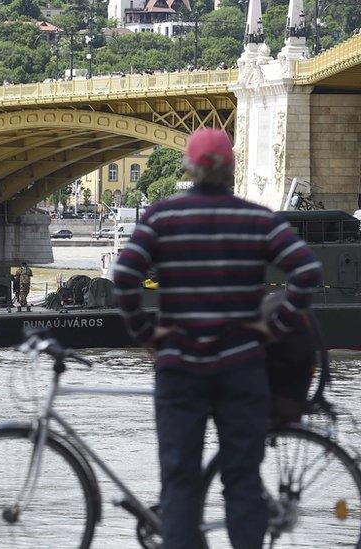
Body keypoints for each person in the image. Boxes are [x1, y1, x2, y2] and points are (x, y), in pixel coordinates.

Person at [113, 129, 322, 549]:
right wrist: (273, 328)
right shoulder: (258, 220)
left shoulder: (161, 218)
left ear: (190, 169)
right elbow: (307, 272)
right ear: (231, 170)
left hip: (179, 370)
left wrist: (147, 333)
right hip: (241, 369)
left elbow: (124, 276)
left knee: (180, 482)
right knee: (242, 480)